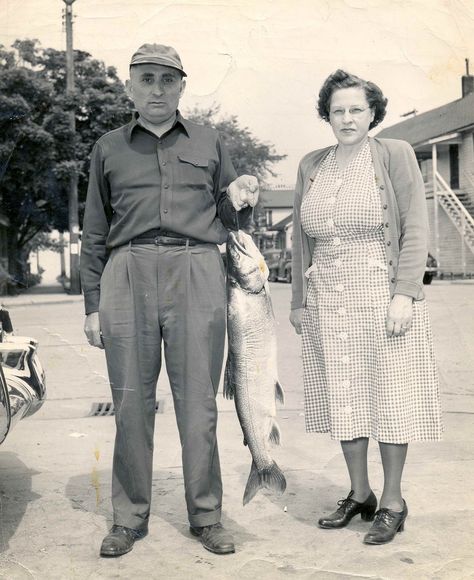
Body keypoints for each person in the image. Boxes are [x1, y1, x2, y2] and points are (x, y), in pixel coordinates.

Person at [80, 43, 259, 558]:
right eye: (146, 79)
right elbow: (95, 229)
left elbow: (231, 216)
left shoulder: (208, 140)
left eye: (167, 79)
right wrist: (93, 304)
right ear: (130, 87)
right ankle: (127, 517)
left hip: (197, 268)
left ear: (182, 85)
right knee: (131, 402)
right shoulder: (107, 147)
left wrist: (241, 194)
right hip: (127, 271)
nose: (156, 89)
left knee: (199, 403)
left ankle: (206, 516)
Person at [289, 70, 442, 545]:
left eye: (357, 109)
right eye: (338, 110)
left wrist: (404, 292)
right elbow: (300, 239)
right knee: (345, 394)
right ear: (326, 115)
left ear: (373, 112)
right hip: (328, 296)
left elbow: (416, 226)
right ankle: (360, 493)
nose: (347, 118)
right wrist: (298, 300)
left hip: (380, 290)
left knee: (390, 394)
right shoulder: (312, 164)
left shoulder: (393, 154)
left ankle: (393, 501)